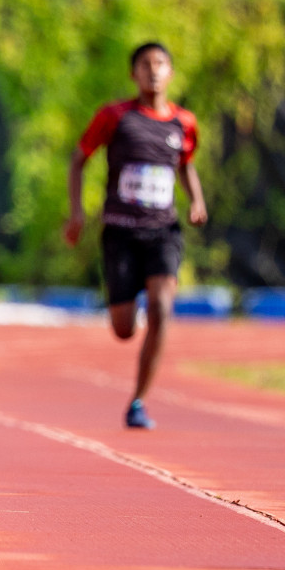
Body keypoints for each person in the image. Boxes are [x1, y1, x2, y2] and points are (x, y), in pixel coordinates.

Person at [65, 41, 206, 430]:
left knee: (162, 310)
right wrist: (76, 213)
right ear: (134, 74)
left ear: (171, 73)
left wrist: (196, 200)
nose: (153, 71)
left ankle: (139, 400)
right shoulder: (115, 116)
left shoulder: (185, 122)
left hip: (163, 230)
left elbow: (186, 164)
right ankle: (131, 306)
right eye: (145, 64)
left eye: (161, 63)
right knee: (124, 329)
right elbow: (79, 159)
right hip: (121, 232)